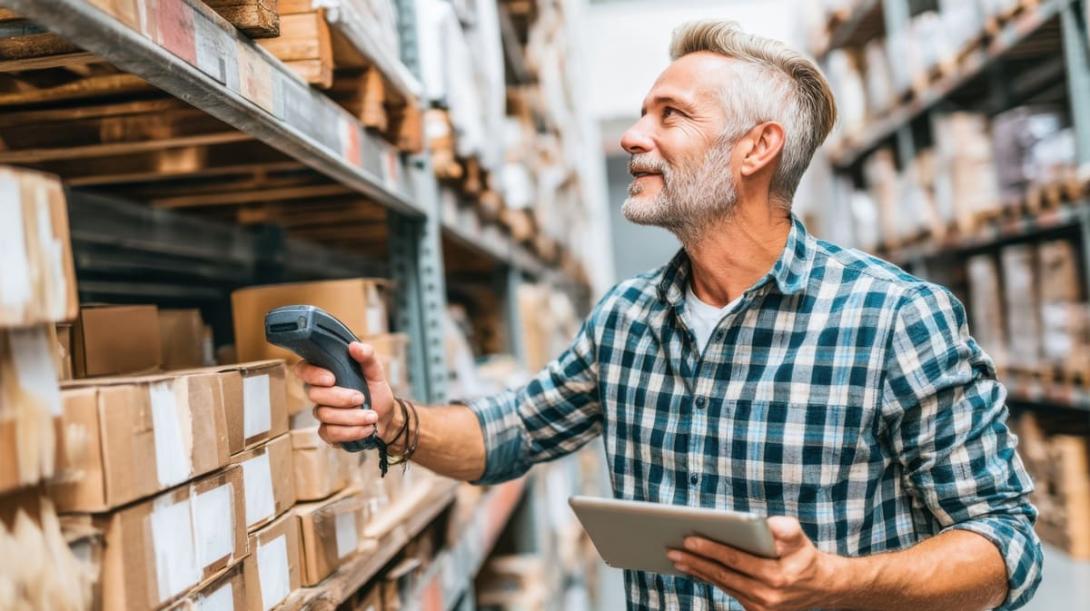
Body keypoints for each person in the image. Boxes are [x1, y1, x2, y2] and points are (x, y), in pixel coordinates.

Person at [297, 19, 1042, 611]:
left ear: (756, 149)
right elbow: (509, 433)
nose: (631, 136)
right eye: (640, 113)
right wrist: (395, 420)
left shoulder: (894, 318)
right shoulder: (626, 319)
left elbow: (1005, 543)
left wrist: (834, 582)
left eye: (670, 115)